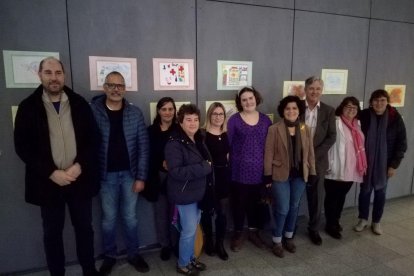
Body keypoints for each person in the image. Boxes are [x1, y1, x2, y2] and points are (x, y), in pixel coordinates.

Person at [14, 57, 100, 276]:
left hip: (79, 180)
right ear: (40, 75)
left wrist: (80, 165)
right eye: (49, 72)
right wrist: (51, 172)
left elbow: (93, 139)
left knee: (84, 230)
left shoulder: (79, 104)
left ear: (64, 76)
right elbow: (22, 147)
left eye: (58, 73)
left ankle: (89, 271)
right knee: (52, 233)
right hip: (48, 183)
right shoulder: (28, 107)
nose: (54, 77)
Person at [90, 71, 150, 274]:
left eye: (121, 86)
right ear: (105, 88)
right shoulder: (94, 111)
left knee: (130, 217)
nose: (116, 89)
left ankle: (133, 254)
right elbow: (86, 145)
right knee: (108, 219)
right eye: (112, 85)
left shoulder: (135, 113)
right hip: (105, 176)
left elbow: (143, 146)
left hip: (130, 175)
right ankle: (109, 256)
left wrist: (141, 177)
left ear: (125, 89)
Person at [264, 96, 316, 258]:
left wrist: (312, 171)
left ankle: (288, 237)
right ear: (283, 111)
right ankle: (277, 240)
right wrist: (267, 176)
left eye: (294, 108)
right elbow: (268, 153)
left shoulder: (304, 128)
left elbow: (310, 153)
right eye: (288, 108)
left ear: (299, 110)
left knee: (294, 207)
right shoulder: (275, 129)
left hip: (300, 175)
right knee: (283, 208)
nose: (291, 111)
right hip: (280, 175)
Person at [165, 104, 212, 276]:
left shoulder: (198, 139)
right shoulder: (174, 143)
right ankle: (183, 264)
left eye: (195, 119)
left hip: (198, 193)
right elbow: (176, 172)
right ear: (180, 122)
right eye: (188, 119)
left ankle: (191, 258)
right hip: (184, 195)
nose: (192, 123)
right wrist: (204, 168)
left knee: (192, 229)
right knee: (188, 231)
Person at [354, 90, 407, 235]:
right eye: (376, 100)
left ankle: (376, 222)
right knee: (364, 192)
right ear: (371, 102)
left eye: (382, 100)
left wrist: (393, 165)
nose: (379, 103)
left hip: (385, 164)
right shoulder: (364, 115)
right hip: (366, 163)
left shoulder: (395, 118)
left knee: (381, 193)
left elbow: (401, 143)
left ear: (387, 102)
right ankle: (363, 219)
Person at [227, 86, 272, 252]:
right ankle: (238, 233)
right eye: (244, 99)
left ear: (256, 98)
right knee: (238, 204)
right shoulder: (234, 120)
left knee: (256, 205)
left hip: (260, 173)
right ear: (240, 102)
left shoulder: (266, 120)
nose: (248, 102)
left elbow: (270, 146)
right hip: (238, 172)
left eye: (250, 98)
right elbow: (228, 145)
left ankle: (254, 232)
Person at [324, 97, 367, 239]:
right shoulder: (336, 122)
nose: (351, 110)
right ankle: (330, 225)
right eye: (348, 107)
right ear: (342, 108)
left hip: (351, 169)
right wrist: (328, 163)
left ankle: (336, 220)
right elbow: (327, 144)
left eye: (354, 108)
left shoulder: (357, 124)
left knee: (341, 197)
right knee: (332, 197)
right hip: (335, 168)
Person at [302, 76, 336, 245]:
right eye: (311, 88)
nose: (314, 92)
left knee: (316, 196)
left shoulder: (329, 111)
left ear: (321, 91)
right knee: (294, 195)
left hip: (319, 160)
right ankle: (288, 229)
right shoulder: (295, 107)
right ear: (305, 90)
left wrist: (314, 154)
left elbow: (332, 136)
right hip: (297, 160)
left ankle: (313, 228)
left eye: (318, 89)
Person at [144, 97, 179, 261]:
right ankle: (165, 245)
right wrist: (161, 163)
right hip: (158, 177)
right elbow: (146, 155)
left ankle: (176, 244)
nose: (167, 112)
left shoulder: (179, 130)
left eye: (170, 109)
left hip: (176, 177)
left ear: (174, 111)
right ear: (158, 111)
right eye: (164, 109)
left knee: (176, 213)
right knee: (161, 213)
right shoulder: (150, 131)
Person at [200, 102, 231, 261]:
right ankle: (209, 241)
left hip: (224, 177)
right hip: (208, 178)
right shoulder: (202, 134)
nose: (218, 117)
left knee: (222, 213)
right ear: (209, 115)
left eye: (221, 114)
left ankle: (220, 244)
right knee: (207, 211)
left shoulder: (227, 134)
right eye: (215, 114)